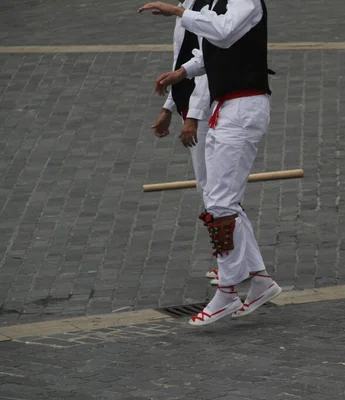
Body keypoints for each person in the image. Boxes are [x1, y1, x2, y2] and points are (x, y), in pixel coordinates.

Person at [139, 0, 281, 326]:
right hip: (226, 109)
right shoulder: (220, 1)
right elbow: (212, 48)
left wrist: (178, 13)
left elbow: (223, 31)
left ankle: (228, 291)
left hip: (244, 108)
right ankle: (259, 281)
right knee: (218, 199)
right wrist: (182, 72)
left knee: (220, 202)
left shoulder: (245, 1)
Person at [150, 0, 220, 285]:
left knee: (214, 188)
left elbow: (207, 66)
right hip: (189, 109)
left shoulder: (209, 8)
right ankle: (230, 259)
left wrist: (193, 116)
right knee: (209, 187)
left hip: (206, 110)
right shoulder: (187, 5)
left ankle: (231, 261)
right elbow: (182, 62)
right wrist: (169, 107)